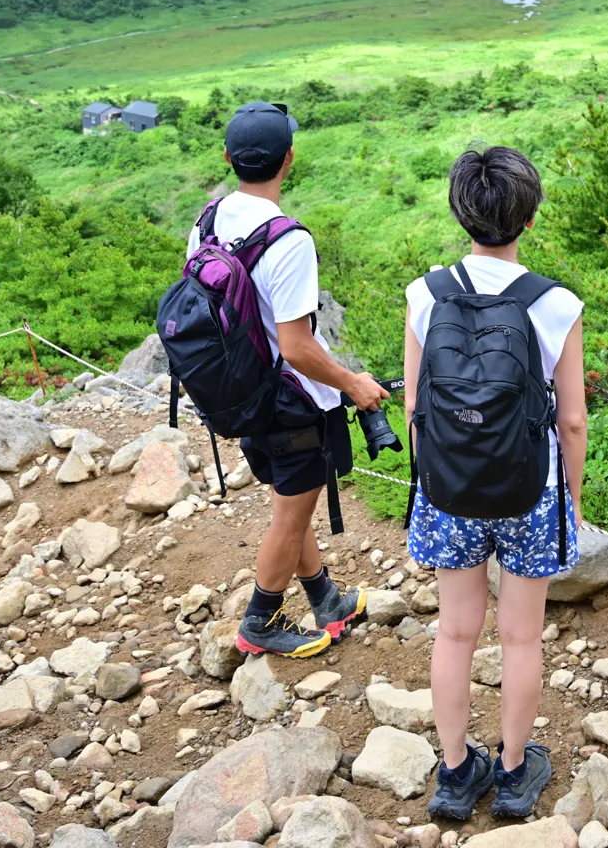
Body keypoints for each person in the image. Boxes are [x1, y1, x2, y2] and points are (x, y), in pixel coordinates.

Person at [404, 147, 588, 820]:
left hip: (448, 483)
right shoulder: (555, 304)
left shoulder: (425, 294)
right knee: (521, 637)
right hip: (529, 488)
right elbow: (570, 419)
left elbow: (415, 407)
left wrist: (436, 480)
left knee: (454, 633)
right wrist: (568, 496)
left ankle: (454, 775)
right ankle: (513, 773)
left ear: (462, 213)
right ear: (528, 218)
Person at [211, 101, 390, 658]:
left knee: (293, 505)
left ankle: (328, 601)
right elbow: (297, 347)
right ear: (289, 159)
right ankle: (259, 623)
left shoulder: (208, 220)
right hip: (292, 404)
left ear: (229, 158)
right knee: (290, 516)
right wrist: (353, 385)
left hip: (239, 392)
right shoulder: (287, 240)